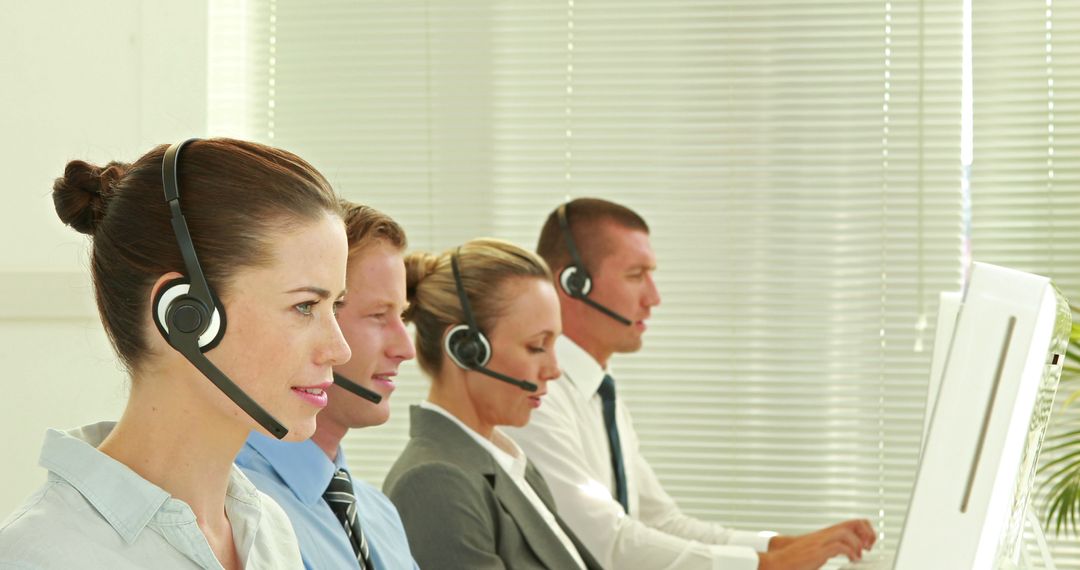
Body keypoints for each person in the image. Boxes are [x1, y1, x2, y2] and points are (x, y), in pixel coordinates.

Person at [0, 138, 353, 569]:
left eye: (335, 306)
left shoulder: (269, 531)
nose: (340, 349)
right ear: (184, 313)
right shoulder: (43, 556)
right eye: (304, 306)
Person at [506, 198, 877, 570]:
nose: (654, 298)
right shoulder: (537, 398)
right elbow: (605, 543)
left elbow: (661, 522)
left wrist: (784, 546)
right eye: (636, 275)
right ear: (573, 284)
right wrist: (765, 565)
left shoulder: (600, 395)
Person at [383, 239, 602, 569]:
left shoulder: (511, 465)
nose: (555, 370)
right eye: (536, 346)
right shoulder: (436, 484)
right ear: (465, 348)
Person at [236, 201, 419, 569]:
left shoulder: (380, 513)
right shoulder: (236, 509)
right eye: (379, 316)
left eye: (402, 316)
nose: (406, 349)